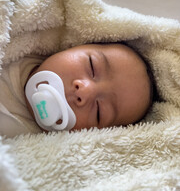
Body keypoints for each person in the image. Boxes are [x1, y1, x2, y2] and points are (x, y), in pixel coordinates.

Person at [0, 43, 153, 137]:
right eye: (92, 66)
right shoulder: (16, 42)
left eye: (99, 112)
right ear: (73, 45)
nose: (85, 91)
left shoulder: (26, 145)